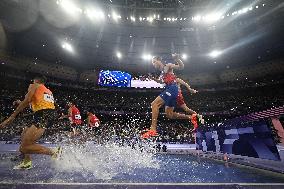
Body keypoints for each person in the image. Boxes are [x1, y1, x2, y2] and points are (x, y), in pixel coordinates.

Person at [0, 76, 62, 169]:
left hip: (43, 114)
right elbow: (34, 103)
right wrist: (20, 102)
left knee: (24, 148)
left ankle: (53, 152)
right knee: (24, 132)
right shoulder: (48, 91)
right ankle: (27, 161)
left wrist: (12, 117)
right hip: (47, 114)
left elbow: (27, 100)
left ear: (36, 81)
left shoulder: (34, 85)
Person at [142, 54, 203, 139]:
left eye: (154, 62)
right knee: (169, 115)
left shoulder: (168, 66)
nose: (153, 64)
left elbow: (181, 67)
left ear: (158, 60)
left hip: (173, 89)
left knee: (154, 104)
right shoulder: (162, 73)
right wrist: (153, 79)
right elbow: (160, 82)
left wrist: (177, 59)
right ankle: (191, 117)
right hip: (169, 90)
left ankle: (153, 129)